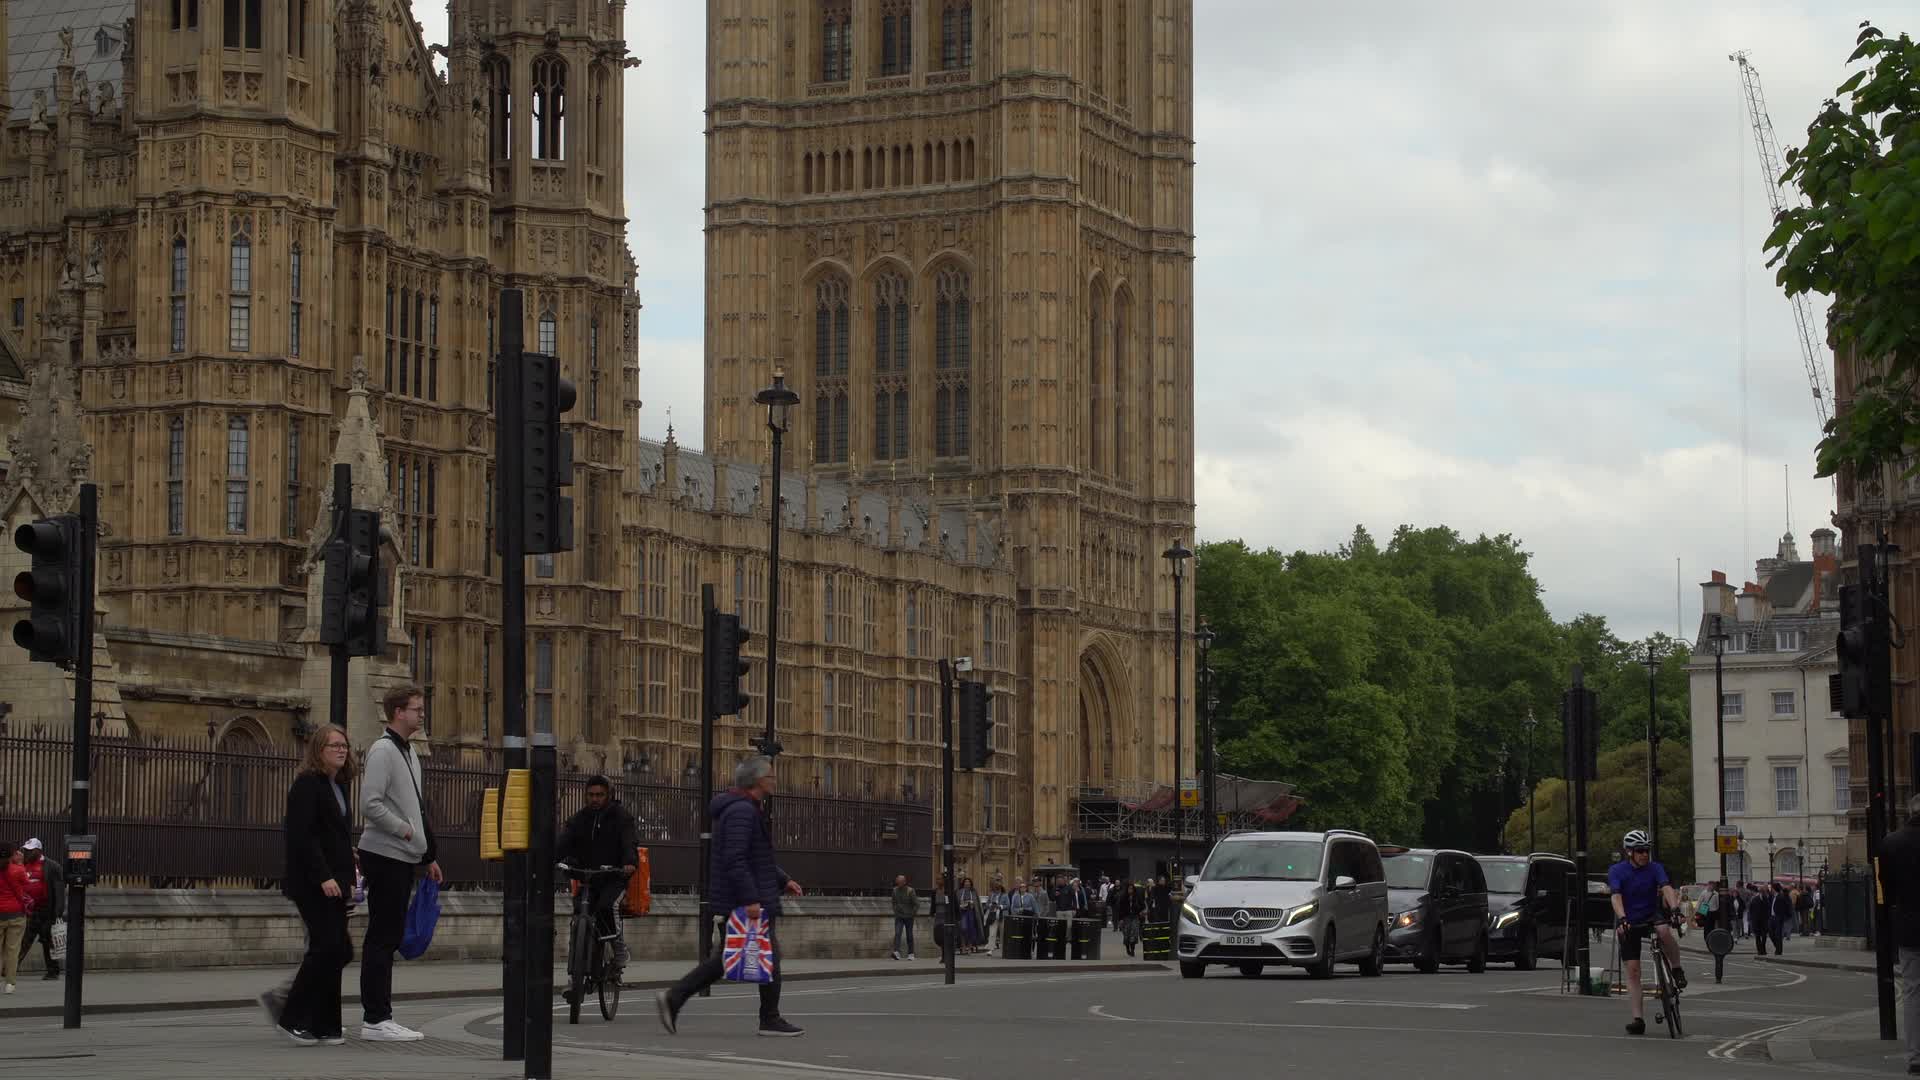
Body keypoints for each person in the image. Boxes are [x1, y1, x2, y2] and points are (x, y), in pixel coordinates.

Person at [656, 755, 806, 1038]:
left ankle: (674, 998)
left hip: (743, 898)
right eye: (771, 776)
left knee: (725, 960)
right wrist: (751, 899)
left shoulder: (746, 809)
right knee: (768, 957)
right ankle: (769, 1019)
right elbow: (735, 859)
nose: (775, 780)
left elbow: (755, 858)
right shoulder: (742, 812)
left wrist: (783, 880)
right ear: (758, 781)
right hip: (743, 902)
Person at [356, 685, 443, 1042]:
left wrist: (427, 856)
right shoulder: (382, 751)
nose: (421, 715)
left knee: (387, 935)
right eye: (416, 709)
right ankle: (376, 1018)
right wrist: (405, 832)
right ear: (397, 713)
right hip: (385, 853)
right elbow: (370, 804)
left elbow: (415, 807)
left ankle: (380, 1015)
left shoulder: (408, 753)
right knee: (382, 936)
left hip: (403, 856)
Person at [275, 726, 358, 1046]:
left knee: (340, 949)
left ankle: (326, 1023)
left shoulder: (337, 785)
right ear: (318, 750)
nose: (341, 750)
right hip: (312, 882)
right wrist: (324, 875)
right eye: (334, 745)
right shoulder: (307, 785)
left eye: (345, 745)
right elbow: (302, 836)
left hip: (336, 880)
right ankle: (291, 1016)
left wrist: (344, 858)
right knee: (327, 947)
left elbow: (330, 833)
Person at [556, 774, 639, 992]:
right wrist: (551, 858)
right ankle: (574, 979)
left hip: (613, 877)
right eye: (591, 795)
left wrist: (629, 862)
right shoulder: (579, 819)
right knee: (577, 923)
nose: (595, 799)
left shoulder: (621, 817)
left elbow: (629, 842)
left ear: (608, 795)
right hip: (587, 878)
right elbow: (564, 842)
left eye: (600, 795)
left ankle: (619, 953)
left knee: (606, 908)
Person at [1608, 829, 1687, 1036]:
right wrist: (1623, 919)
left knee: (1663, 930)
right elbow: (1616, 897)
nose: (1645, 855)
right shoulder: (1617, 870)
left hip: (1651, 915)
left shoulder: (1655, 868)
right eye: (1640, 851)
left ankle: (1676, 969)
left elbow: (1667, 888)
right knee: (1633, 971)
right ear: (1629, 852)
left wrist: (1675, 909)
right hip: (1629, 919)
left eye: (1647, 851)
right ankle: (1638, 1019)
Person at [1876, 792, 1920, 1075]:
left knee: (1913, 993)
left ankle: (1916, 1056)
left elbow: (1885, 889)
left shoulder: (1891, 843)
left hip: (1910, 927)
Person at [16, 838, 62, 980]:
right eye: (26, 850)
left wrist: (59, 912)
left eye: (30, 850)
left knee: (48, 941)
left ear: (38, 851)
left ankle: (53, 971)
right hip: (29, 910)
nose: (27, 853)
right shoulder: (23, 864)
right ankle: (11, 969)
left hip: (46, 910)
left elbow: (59, 890)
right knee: (23, 940)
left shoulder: (52, 866)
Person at [0, 842, 29, 994]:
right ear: (12, 854)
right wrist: (20, 863)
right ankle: (10, 984)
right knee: (12, 950)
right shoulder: (17, 870)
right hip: (16, 914)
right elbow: (27, 883)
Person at [1109, 873, 1138, 957]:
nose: (1130, 890)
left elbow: (1141, 905)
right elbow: (1120, 909)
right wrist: (1120, 919)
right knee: (1127, 935)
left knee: (1134, 934)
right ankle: (1127, 948)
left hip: (1134, 917)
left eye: (1132, 889)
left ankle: (1133, 950)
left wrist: (1140, 911)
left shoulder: (1136, 897)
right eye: (1129, 889)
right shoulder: (1122, 897)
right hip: (1126, 918)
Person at [890, 874, 917, 960]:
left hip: (909, 916)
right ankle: (896, 952)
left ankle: (911, 953)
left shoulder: (910, 891)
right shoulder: (894, 890)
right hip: (899, 916)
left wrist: (912, 913)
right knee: (897, 933)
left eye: (900, 882)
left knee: (909, 935)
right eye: (898, 882)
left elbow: (916, 904)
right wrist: (895, 910)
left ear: (904, 882)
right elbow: (893, 902)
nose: (899, 884)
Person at [958, 877, 982, 953]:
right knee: (963, 928)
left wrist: (973, 905)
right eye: (966, 882)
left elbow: (978, 903)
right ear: (963, 883)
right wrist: (961, 906)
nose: (967, 883)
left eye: (968, 882)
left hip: (972, 912)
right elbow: (956, 902)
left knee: (971, 929)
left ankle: (970, 945)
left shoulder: (974, 892)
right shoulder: (959, 892)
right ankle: (963, 945)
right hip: (962, 913)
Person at [1748, 884, 1772, 954]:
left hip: (1761, 920)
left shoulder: (1756, 899)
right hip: (1759, 920)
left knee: (1761, 936)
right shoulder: (1762, 899)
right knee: (1759, 936)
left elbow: (1751, 909)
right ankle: (1761, 949)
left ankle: (1761, 949)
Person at [1769, 883, 1793, 954]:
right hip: (1772, 917)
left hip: (1778, 918)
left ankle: (1779, 950)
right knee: (1771, 934)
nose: (1771, 890)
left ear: (1774, 889)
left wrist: (1782, 917)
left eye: (1772, 888)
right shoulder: (1773, 897)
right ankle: (1777, 947)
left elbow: (1785, 907)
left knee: (1778, 935)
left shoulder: (1780, 897)